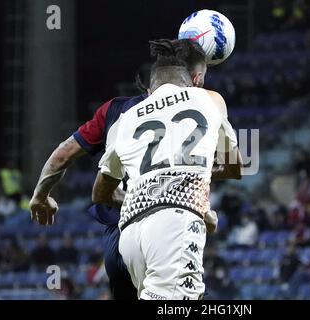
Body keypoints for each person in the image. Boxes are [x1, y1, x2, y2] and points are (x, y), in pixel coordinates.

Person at [28, 39, 222, 299]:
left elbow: (62, 155)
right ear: (192, 79)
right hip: (165, 226)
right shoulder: (199, 105)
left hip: (120, 240)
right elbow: (232, 164)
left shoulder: (115, 111)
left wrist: (40, 195)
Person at [92, 39, 242, 300]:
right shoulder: (205, 100)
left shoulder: (127, 117)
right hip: (174, 224)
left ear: (151, 87)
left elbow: (100, 191)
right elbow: (236, 166)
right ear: (191, 80)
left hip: (130, 235)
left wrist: (148, 190)